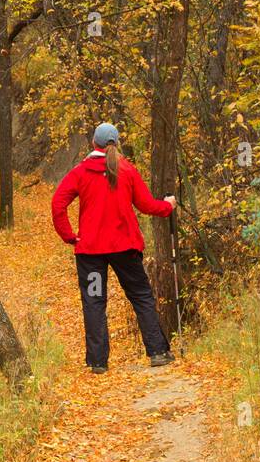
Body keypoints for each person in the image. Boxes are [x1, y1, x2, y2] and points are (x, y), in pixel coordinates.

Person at [51, 122, 177, 374]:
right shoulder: (127, 169)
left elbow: (57, 205)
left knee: (94, 301)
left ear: (93, 144)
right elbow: (147, 205)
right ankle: (158, 352)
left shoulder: (81, 171)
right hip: (125, 249)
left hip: (91, 252)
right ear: (116, 143)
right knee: (141, 297)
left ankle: (98, 362)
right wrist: (168, 206)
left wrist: (70, 237)